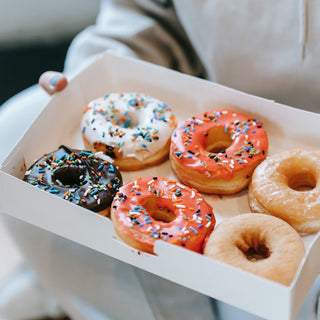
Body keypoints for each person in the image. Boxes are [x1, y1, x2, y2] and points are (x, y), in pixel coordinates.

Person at [1, 0, 320, 319]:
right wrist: (86, 83)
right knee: (13, 127)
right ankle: (76, 290)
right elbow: (145, 15)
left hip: (293, 142)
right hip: (201, 104)